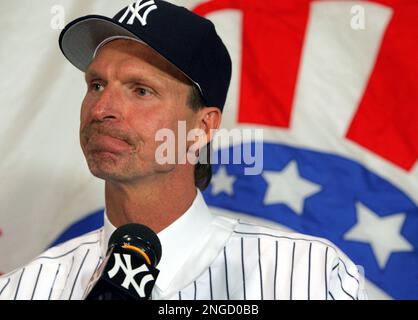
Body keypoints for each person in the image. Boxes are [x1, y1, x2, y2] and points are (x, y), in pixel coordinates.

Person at [0, 0, 367, 300]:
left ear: (202, 128)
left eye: (141, 90)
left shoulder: (311, 277)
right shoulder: (24, 289)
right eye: (96, 84)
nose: (101, 109)